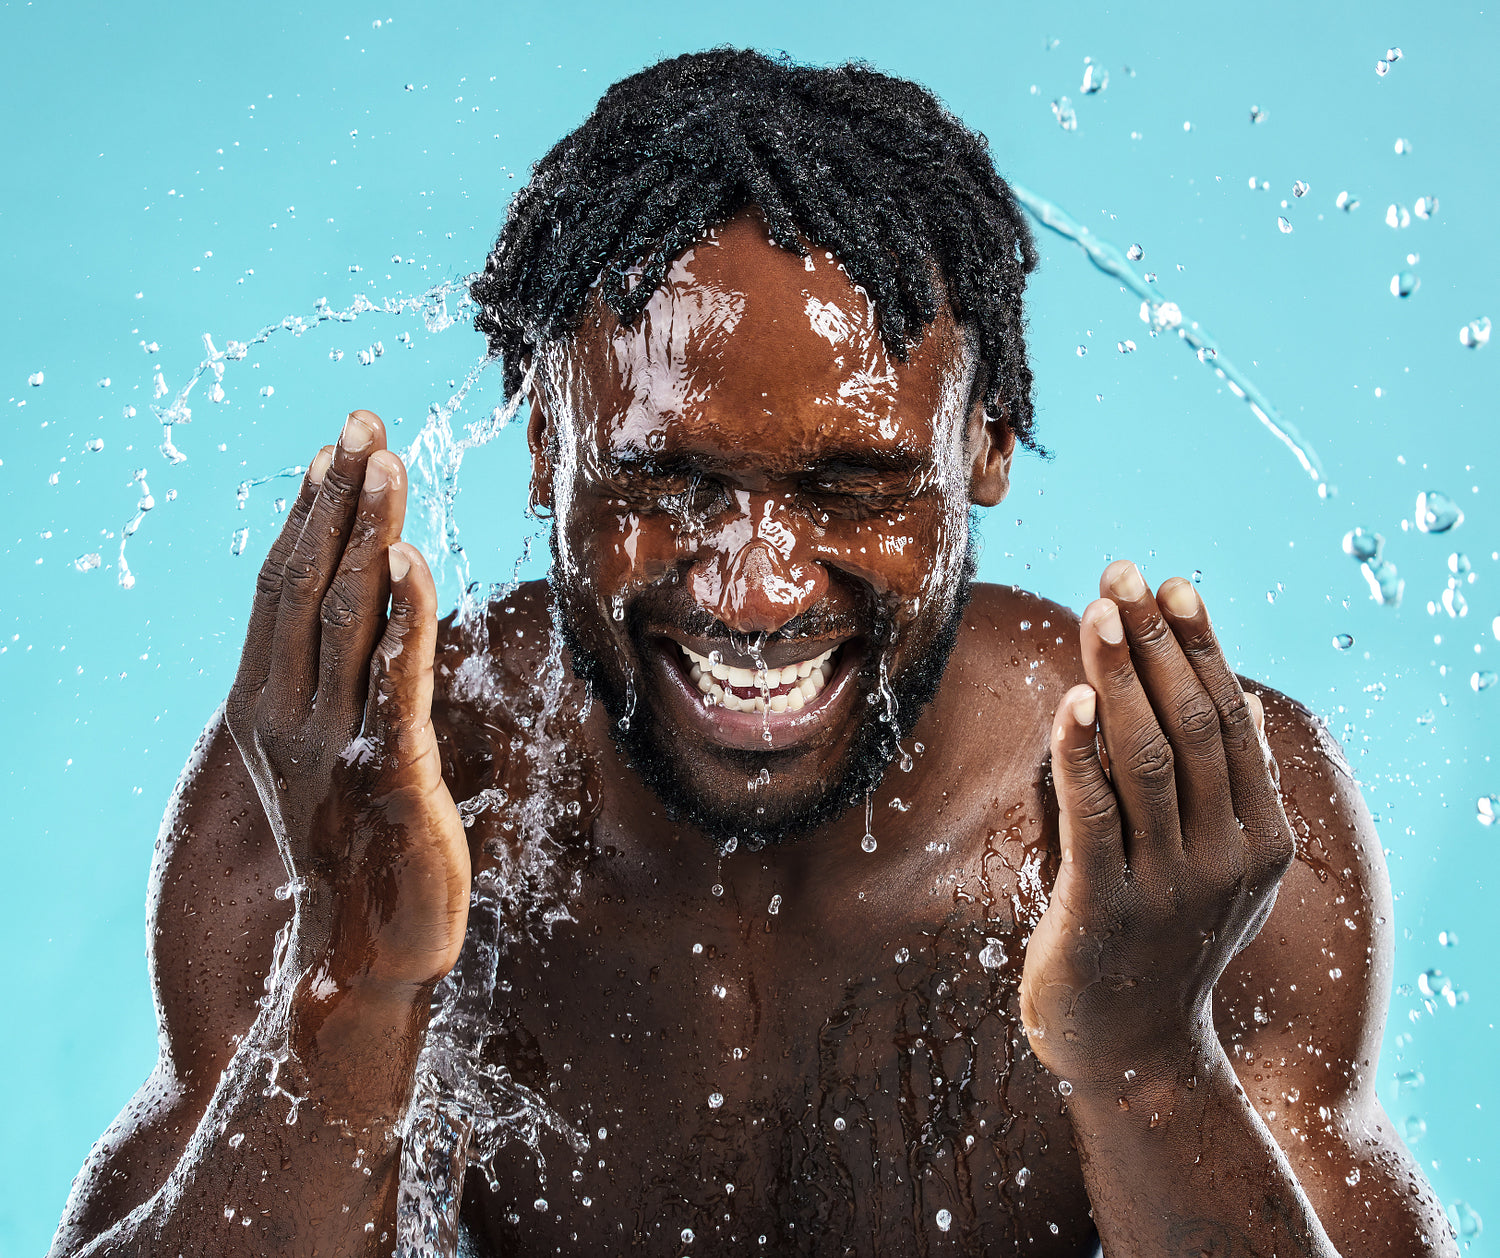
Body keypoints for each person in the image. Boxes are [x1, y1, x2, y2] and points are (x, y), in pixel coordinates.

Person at [53, 50, 1452, 1257]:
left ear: (986, 446)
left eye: (852, 484)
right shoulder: (372, 792)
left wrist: (1152, 1063)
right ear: (548, 444)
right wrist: (347, 990)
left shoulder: (1175, 850)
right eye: (668, 481)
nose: (758, 588)